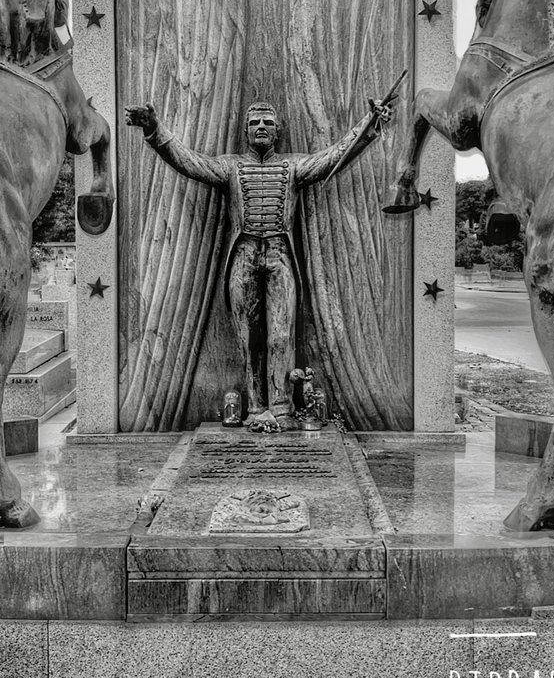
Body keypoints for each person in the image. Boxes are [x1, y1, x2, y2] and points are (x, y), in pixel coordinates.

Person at [125, 96, 393, 430]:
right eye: (255, 123)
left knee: (281, 336)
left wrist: (368, 126)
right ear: (246, 132)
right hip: (244, 255)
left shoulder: (293, 166)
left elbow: (333, 156)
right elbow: (189, 162)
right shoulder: (230, 166)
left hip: (280, 257)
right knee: (248, 339)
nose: (261, 127)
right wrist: (155, 130)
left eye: (267, 122)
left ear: (277, 130)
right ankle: (254, 408)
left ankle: (280, 408)